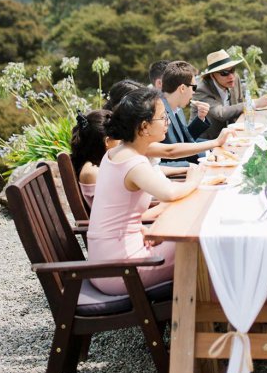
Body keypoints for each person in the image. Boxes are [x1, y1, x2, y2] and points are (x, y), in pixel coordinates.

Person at [87, 88, 205, 295]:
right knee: (202, 245)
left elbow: (120, 213)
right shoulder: (133, 163)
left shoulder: (115, 153)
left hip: (105, 264)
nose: (167, 120)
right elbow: (168, 193)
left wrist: (142, 230)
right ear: (144, 127)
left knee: (194, 235)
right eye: (162, 117)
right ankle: (218, 314)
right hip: (122, 271)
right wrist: (195, 179)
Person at [160, 60, 235, 166]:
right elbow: (166, 156)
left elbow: (185, 140)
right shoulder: (158, 112)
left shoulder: (177, 108)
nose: (194, 92)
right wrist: (208, 155)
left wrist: (200, 118)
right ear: (182, 88)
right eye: (193, 87)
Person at [191, 49, 267, 140]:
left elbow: (239, 103)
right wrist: (253, 103)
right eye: (224, 73)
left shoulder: (234, 79)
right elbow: (221, 114)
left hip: (230, 136)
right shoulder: (202, 89)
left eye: (232, 70)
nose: (231, 76)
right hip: (206, 141)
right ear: (212, 75)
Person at [70, 110, 117, 207]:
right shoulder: (91, 173)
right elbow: (109, 214)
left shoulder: (101, 164)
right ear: (107, 141)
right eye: (121, 137)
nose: (124, 141)